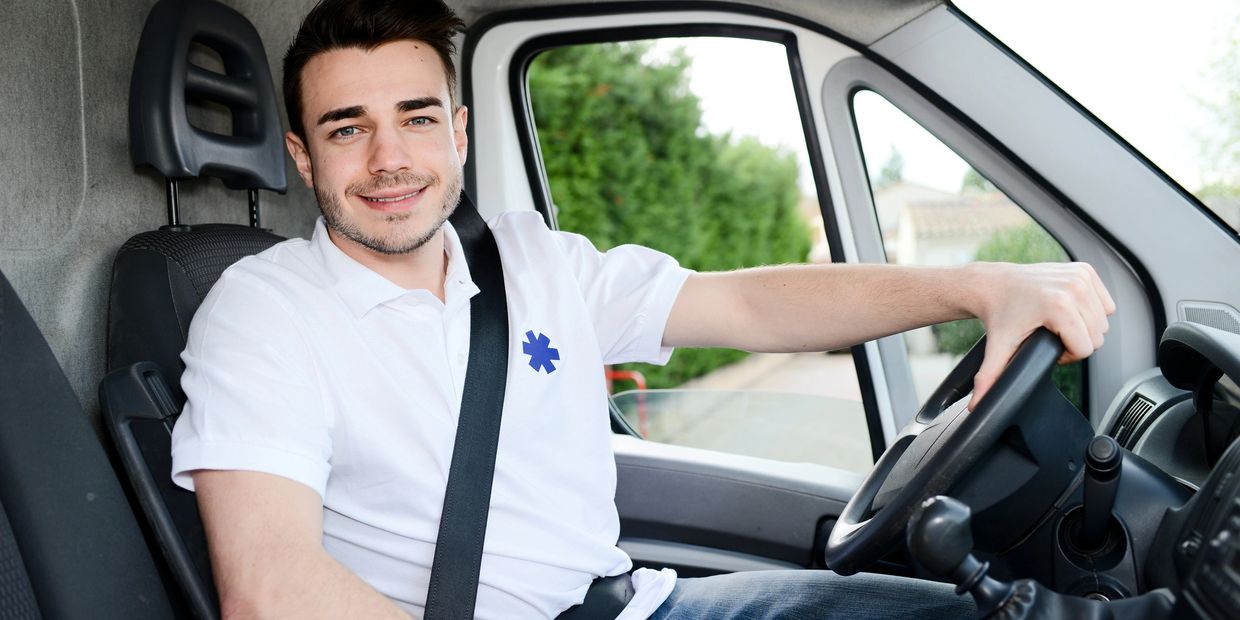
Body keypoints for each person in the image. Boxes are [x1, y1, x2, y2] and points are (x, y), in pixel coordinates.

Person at [169, 0, 1116, 618]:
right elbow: (271, 589)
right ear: (302, 157)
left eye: (417, 118)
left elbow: (751, 305)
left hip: (643, 604)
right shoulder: (263, 310)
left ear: (457, 133)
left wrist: (976, 287)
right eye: (348, 129)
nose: (389, 161)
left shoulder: (533, 259)